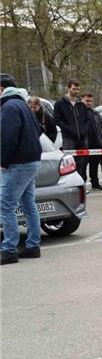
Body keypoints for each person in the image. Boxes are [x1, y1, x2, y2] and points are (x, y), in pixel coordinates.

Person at [1, 73, 44, 265]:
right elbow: (39, 130)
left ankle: (9, 249)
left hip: (18, 164)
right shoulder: (24, 106)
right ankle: (33, 245)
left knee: (5, 205)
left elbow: (7, 136)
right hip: (32, 161)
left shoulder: (9, 107)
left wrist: (3, 159)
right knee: (29, 205)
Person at [80, 92, 102, 190]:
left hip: (96, 143)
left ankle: (95, 183)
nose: (89, 103)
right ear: (82, 100)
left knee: (94, 165)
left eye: (90, 101)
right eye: (87, 101)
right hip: (83, 144)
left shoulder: (95, 113)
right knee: (82, 166)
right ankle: (82, 185)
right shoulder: (78, 113)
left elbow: (101, 126)